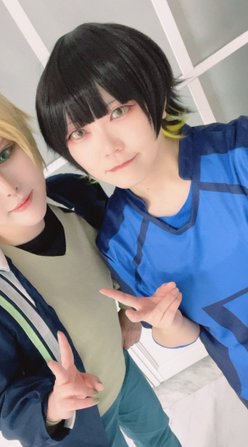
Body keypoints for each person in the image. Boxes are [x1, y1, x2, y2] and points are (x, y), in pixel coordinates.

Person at [0, 76, 233, 447]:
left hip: (121, 373)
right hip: (80, 428)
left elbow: (118, 253)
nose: (8, 186)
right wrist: (52, 406)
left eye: (5, 154)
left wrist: (125, 315)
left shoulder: (75, 195)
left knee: (158, 432)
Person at [36, 22, 248, 409]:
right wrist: (167, 322)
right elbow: (187, 334)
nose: (108, 147)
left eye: (118, 111)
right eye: (79, 133)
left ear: (158, 96)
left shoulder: (238, 155)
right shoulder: (119, 241)